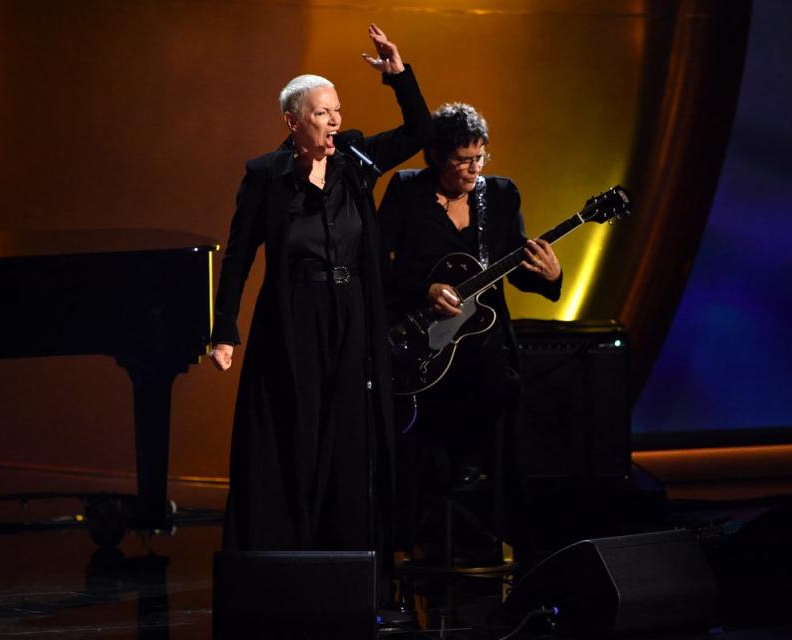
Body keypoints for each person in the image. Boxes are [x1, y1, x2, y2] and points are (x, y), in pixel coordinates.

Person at [209, 24, 430, 555]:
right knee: (296, 429)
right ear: (293, 122)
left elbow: (419, 132)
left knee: (347, 432)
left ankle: (344, 551)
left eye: (337, 110)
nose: (334, 121)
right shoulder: (266, 176)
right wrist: (224, 332)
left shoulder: (355, 161)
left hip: (353, 313)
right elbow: (239, 258)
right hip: (294, 315)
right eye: (321, 113)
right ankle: (288, 554)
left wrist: (399, 77)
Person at [378, 102, 562, 564]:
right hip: (420, 344)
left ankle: (497, 538)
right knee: (417, 444)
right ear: (436, 156)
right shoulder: (405, 191)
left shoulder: (499, 195)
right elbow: (376, 268)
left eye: (480, 158)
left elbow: (515, 269)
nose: (473, 169)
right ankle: (405, 543)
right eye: (462, 160)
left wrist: (550, 275)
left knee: (498, 432)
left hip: (481, 347)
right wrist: (426, 289)